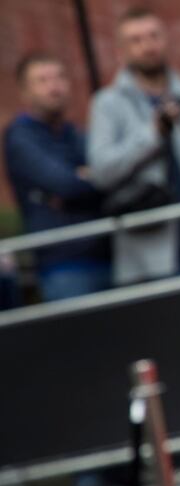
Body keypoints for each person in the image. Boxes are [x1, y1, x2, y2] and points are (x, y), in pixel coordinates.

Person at [87, 6, 180, 285]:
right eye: (136, 40)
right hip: (150, 253)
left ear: (165, 40)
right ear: (121, 51)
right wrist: (153, 134)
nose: (147, 46)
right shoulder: (107, 104)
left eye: (153, 36)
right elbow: (101, 173)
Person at [4, 52, 110, 301]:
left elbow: (109, 175)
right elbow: (66, 185)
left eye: (60, 78)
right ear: (24, 92)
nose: (54, 87)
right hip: (63, 266)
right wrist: (84, 180)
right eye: (42, 80)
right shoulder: (20, 137)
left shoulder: (74, 133)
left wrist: (87, 179)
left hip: (106, 255)